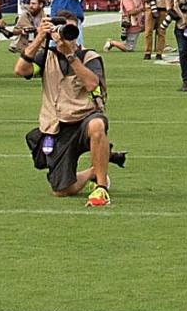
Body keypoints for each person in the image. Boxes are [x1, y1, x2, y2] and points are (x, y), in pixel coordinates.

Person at [15, 10, 121, 198]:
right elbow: (21, 70)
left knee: (97, 125)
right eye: (62, 29)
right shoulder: (47, 56)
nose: (66, 35)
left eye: (71, 29)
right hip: (56, 126)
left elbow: (92, 84)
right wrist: (40, 37)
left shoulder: (89, 57)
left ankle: (101, 187)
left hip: (84, 119)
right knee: (61, 190)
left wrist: (71, 56)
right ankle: (95, 169)